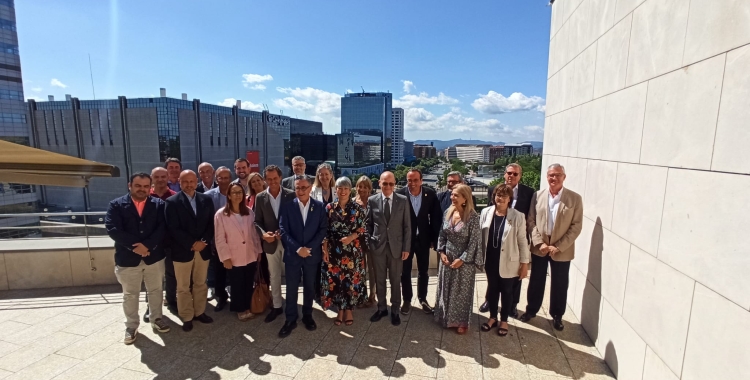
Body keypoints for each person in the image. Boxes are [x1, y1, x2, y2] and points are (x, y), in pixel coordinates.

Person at [105, 172, 170, 345]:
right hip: (127, 259)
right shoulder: (116, 205)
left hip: (153, 257)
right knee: (130, 295)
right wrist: (137, 246)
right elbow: (113, 229)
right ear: (130, 186)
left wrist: (147, 246)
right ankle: (131, 326)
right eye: (138, 186)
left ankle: (157, 318)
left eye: (146, 186)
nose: (142, 189)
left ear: (151, 187)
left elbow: (162, 228)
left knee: (156, 291)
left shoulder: (158, 205)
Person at [520, 164, 583, 331]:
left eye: (557, 175)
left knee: (560, 283)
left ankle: (557, 315)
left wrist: (559, 246)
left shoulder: (574, 198)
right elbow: (531, 221)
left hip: (562, 250)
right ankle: (531, 310)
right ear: (546, 177)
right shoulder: (537, 195)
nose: (553, 178)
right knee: (536, 281)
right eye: (550, 175)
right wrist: (539, 243)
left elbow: (576, 226)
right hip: (540, 247)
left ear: (564, 177)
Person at [480, 163, 535, 316]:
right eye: (509, 173)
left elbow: (530, 217)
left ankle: (512, 306)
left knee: (514, 280)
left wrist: (525, 260)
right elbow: (488, 216)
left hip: (515, 241)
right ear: (504, 174)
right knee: (493, 278)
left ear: (520, 176)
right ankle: (489, 301)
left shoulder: (529, 192)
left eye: (515, 174)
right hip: (494, 245)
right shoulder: (494, 189)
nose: (511, 176)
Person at [165, 170, 216, 332]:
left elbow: (211, 224)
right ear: (179, 182)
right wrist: (192, 243)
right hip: (182, 251)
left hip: (203, 250)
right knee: (183, 286)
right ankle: (187, 316)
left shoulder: (206, 199)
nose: (188, 185)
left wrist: (203, 242)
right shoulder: (171, 202)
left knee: (201, 283)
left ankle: (200, 312)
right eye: (185, 181)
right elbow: (172, 228)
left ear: (196, 182)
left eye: (191, 181)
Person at [278, 176, 328, 338]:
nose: (301, 191)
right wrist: (298, 248)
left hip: (312, 255)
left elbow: (322, 230)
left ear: (311, 188)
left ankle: (307, 315)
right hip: (294, 254)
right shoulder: (287, 207)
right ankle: (290, 319)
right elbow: (283, 230)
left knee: (309, 287)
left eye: (304, 187)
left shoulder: (320, 207)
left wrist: (309, 248)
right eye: (298, 188)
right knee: (291, 288)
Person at [479, 184, 530, 337]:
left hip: (509, 260)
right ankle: (493, 317)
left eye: (504, 196)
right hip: (490, 259)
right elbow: (481, 237)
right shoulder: (486, 212)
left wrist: (524, 263)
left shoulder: (517, 216)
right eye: (497, 195)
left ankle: (504, 320)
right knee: (493, 290)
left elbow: (522, 241)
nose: (500, 198)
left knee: (507, 291)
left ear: (510, 199)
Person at [434, 184, 482, 334]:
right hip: (447, 257)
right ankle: (445, 317)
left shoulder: (473, 217)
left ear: (465, 198)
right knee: (446, 288)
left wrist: (462, 259)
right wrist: (441, 252)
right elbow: (442, 234)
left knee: (461, 292)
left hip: (464, 261)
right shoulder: (448, 212)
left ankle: (461, 322)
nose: (452, 198)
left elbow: (474, 242)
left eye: (456, 195)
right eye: (452, 195)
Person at [321, 177, 368, 325]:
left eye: (346, 188)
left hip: (352, 250)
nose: (343, 191)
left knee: (350, 280)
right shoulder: (329, 208)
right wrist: (325, 249)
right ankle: (340, 309)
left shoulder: (357, 208)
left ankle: (348, 309)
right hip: (334, 250)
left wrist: (351, 237)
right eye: (340, 188)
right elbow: (324, 230)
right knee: (336, 280)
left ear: (350, 190)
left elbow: (362, 228)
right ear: (336, 190)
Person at [395, 168, 442, 315]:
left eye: (415, 180)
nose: (412, 183)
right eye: (410, 180)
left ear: (421, 180)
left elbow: (436, 219)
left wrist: (435, 239)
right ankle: (407, 300)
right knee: (405, 271)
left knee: (423, 271)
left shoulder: (430, 194)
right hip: (405, 241)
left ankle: (422, 299)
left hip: (424, 239)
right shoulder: (400, 194)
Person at [367, 171, 411, 326]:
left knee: (395, 280)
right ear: (379, 183)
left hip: (396, 248)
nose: (387, 186)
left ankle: (395, 310)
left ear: (395, 184)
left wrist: (406, 248)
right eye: (385, 183)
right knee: (379, 280)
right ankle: (381, 308)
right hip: (378, 247)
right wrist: (371, 242)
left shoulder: (403, 200)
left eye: (391, 184)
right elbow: (368, 224)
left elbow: (407, 226)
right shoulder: (372, 201)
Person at [214, 183, 263, 321]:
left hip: (250, 253)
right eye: (234, 192)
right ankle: (239, 309)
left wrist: (258, 250)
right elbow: (219, 239)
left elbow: (254, 234)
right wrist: (225, 258)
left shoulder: (249, 212)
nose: (237, 195)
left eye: (240, 192)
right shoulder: (221, 214)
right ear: (228, 195)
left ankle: (248, 305)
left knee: (248, 283)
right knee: (236, 284)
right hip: (233, 256)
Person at [254, 165, 296, 323]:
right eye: (269, 179)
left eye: (275, 178)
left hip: (288, 243)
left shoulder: (291, 195)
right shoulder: (260, 197)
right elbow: (257, 221)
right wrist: (263, 235)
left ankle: (291, 306)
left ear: (280, 178)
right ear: (265, 179)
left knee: (292, 275)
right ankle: (277, 306)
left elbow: (295, 218)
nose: (272, 181)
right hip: (270, 243)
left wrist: (284, 232)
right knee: (274, 275)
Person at [143, 167, 177, 323]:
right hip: (151, 245)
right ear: (151, 178)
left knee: (171, 275)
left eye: (163, 176)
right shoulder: (145, 197)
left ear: (168, 177)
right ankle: (150, 306)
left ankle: (171, 301)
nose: (160, 179)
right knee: (151, 277)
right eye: (157, 177)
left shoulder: (175, 197)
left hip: (170, 244)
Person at [204, 167, 233, 312]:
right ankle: (221, 297)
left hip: (236, 241)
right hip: (217, 241)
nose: (223, 180)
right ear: (216, 180)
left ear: (230, 179)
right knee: (219, 271)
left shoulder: (237, 193)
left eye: (226, 177)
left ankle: (236, 295)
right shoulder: (207, 196)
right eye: (220, 178)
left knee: (235, 271)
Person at [353, 176, 376, 307]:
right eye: (359, 186)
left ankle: (372, 296)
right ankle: (361, 296)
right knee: (359, 270)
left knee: (373, 270)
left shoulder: (374, 201)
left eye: (365, 187)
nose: (362, 189)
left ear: (369, 188)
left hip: (372, 240)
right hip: (357, 241)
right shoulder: (352, 202)